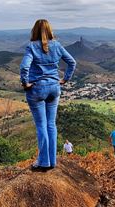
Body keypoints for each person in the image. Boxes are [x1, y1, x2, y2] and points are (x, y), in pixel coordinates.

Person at [19, 19, 76, 172]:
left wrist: (25, 83)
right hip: (54, 88)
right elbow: (72, 62)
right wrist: (65, 79)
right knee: (51, 125)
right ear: (50, 30)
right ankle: (52, 161)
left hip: (37, 89)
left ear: (34, 31)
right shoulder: (57, 45)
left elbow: (24, 67)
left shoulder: (31, 46)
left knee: (41, 126)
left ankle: (44, 162)